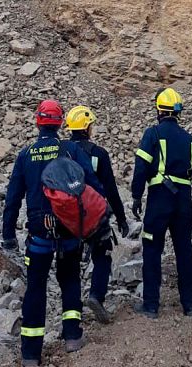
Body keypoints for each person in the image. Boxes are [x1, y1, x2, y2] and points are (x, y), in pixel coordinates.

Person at [2, 99, 106, 367]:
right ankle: (72, 336)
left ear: (38, 122)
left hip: (38, 233)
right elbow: (92, 183)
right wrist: (98, 220)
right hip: (68, 230)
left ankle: (30, 354)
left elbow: (13, 197)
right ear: (60, 123)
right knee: (70, 279)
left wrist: (8, 234)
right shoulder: (69, 149)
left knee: (36, 288)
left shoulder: (26, 155)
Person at [130, 88, 192, 319]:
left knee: (152, 249)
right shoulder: (189, 139)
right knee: (184, 250)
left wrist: (137, 196)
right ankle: (189, 305)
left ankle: (151, 305)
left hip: (160, 198)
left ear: (159, 109)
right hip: (183, 200)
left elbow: (141, 167)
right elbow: (191, 171)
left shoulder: (153, 133)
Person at [65, 105, 129, 324]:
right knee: (102, 256)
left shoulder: (60, 151)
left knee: (70, 259)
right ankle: (96, 296)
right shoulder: (98, 154)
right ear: (86, 127)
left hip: (66, 215)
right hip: (93, 213)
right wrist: (121, 218)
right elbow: (110, 188)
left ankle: (71, 309)